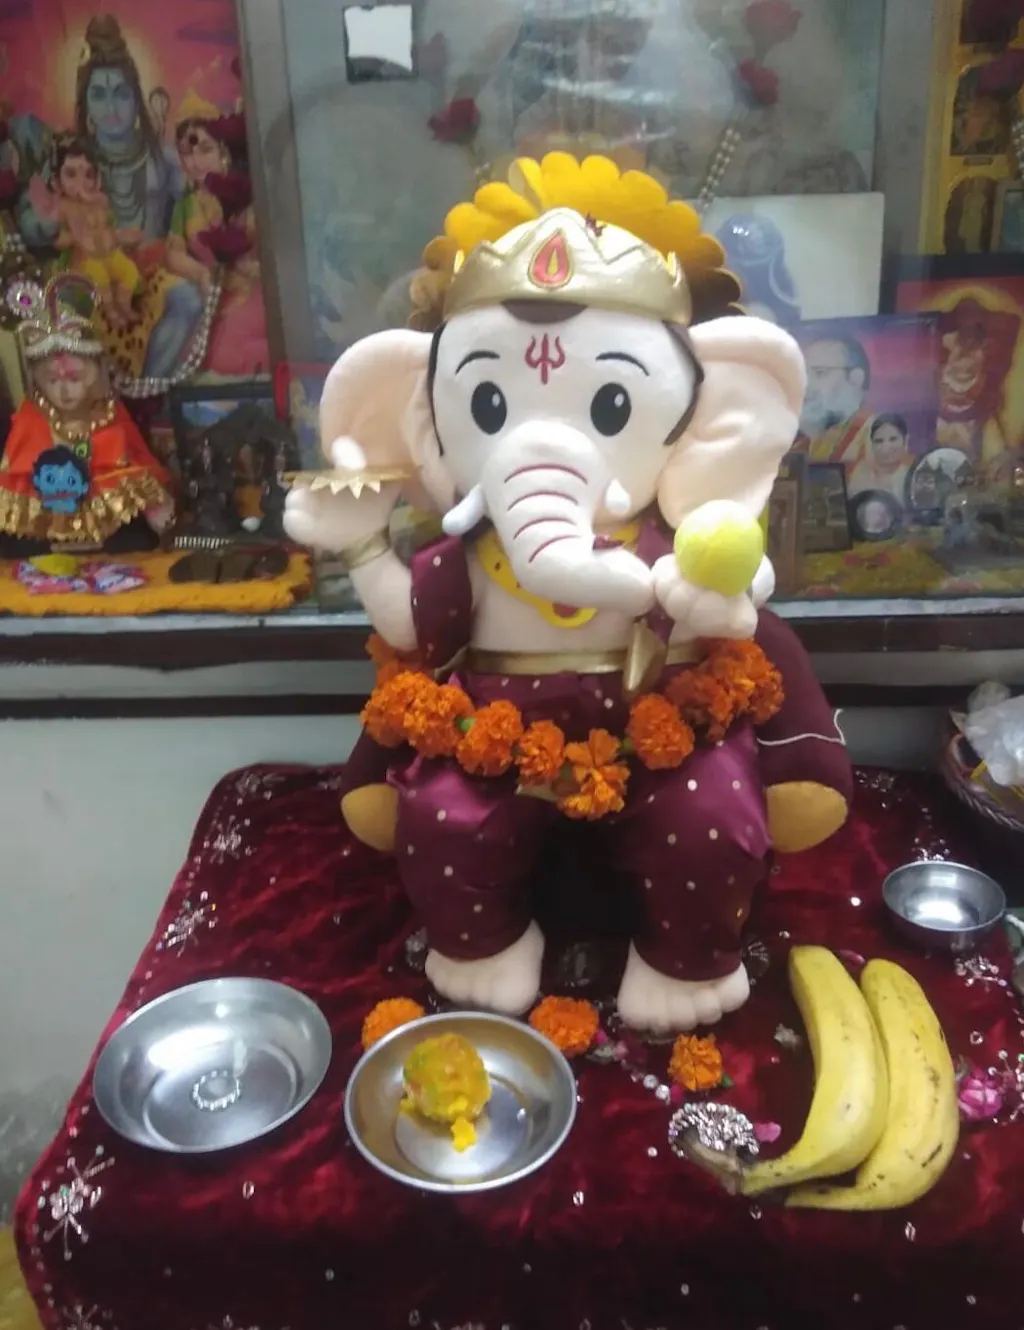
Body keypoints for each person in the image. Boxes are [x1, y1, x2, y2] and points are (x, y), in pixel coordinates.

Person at [0, 276, 173, 554]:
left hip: (107, 529)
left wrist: (155, 506)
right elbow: (14, 478)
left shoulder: (110, 416)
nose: (64, 391)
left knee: (137, 540)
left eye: (74, 379)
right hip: (45, 531)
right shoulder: (30, 420)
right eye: (53, 381)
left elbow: (138, 466)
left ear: (94, 376)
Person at [31, 136, 141, 330]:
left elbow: (110, 226)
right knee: (99, 277)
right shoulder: (64, 207)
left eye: (89, 175)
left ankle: (124, 306)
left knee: (129, 271)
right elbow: (57, 239)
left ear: (98, 179)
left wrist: (119, 235)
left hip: (110, 254)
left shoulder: (101, 202)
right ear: (57, 181)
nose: (81, 183)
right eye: (71, 175)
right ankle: (110, 312)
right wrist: (73, 237)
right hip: (84, 261)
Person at [795, 334, 873, 464]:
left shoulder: (879, 438)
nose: (806, 385)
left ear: (855, 379)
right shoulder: (801, 443)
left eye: (820, 373)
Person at [848, 412, 914, 505]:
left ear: (905, 441)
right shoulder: (860, 474)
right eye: (879, 441)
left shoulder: (912, 478)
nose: (886, 447)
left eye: (893, 439)